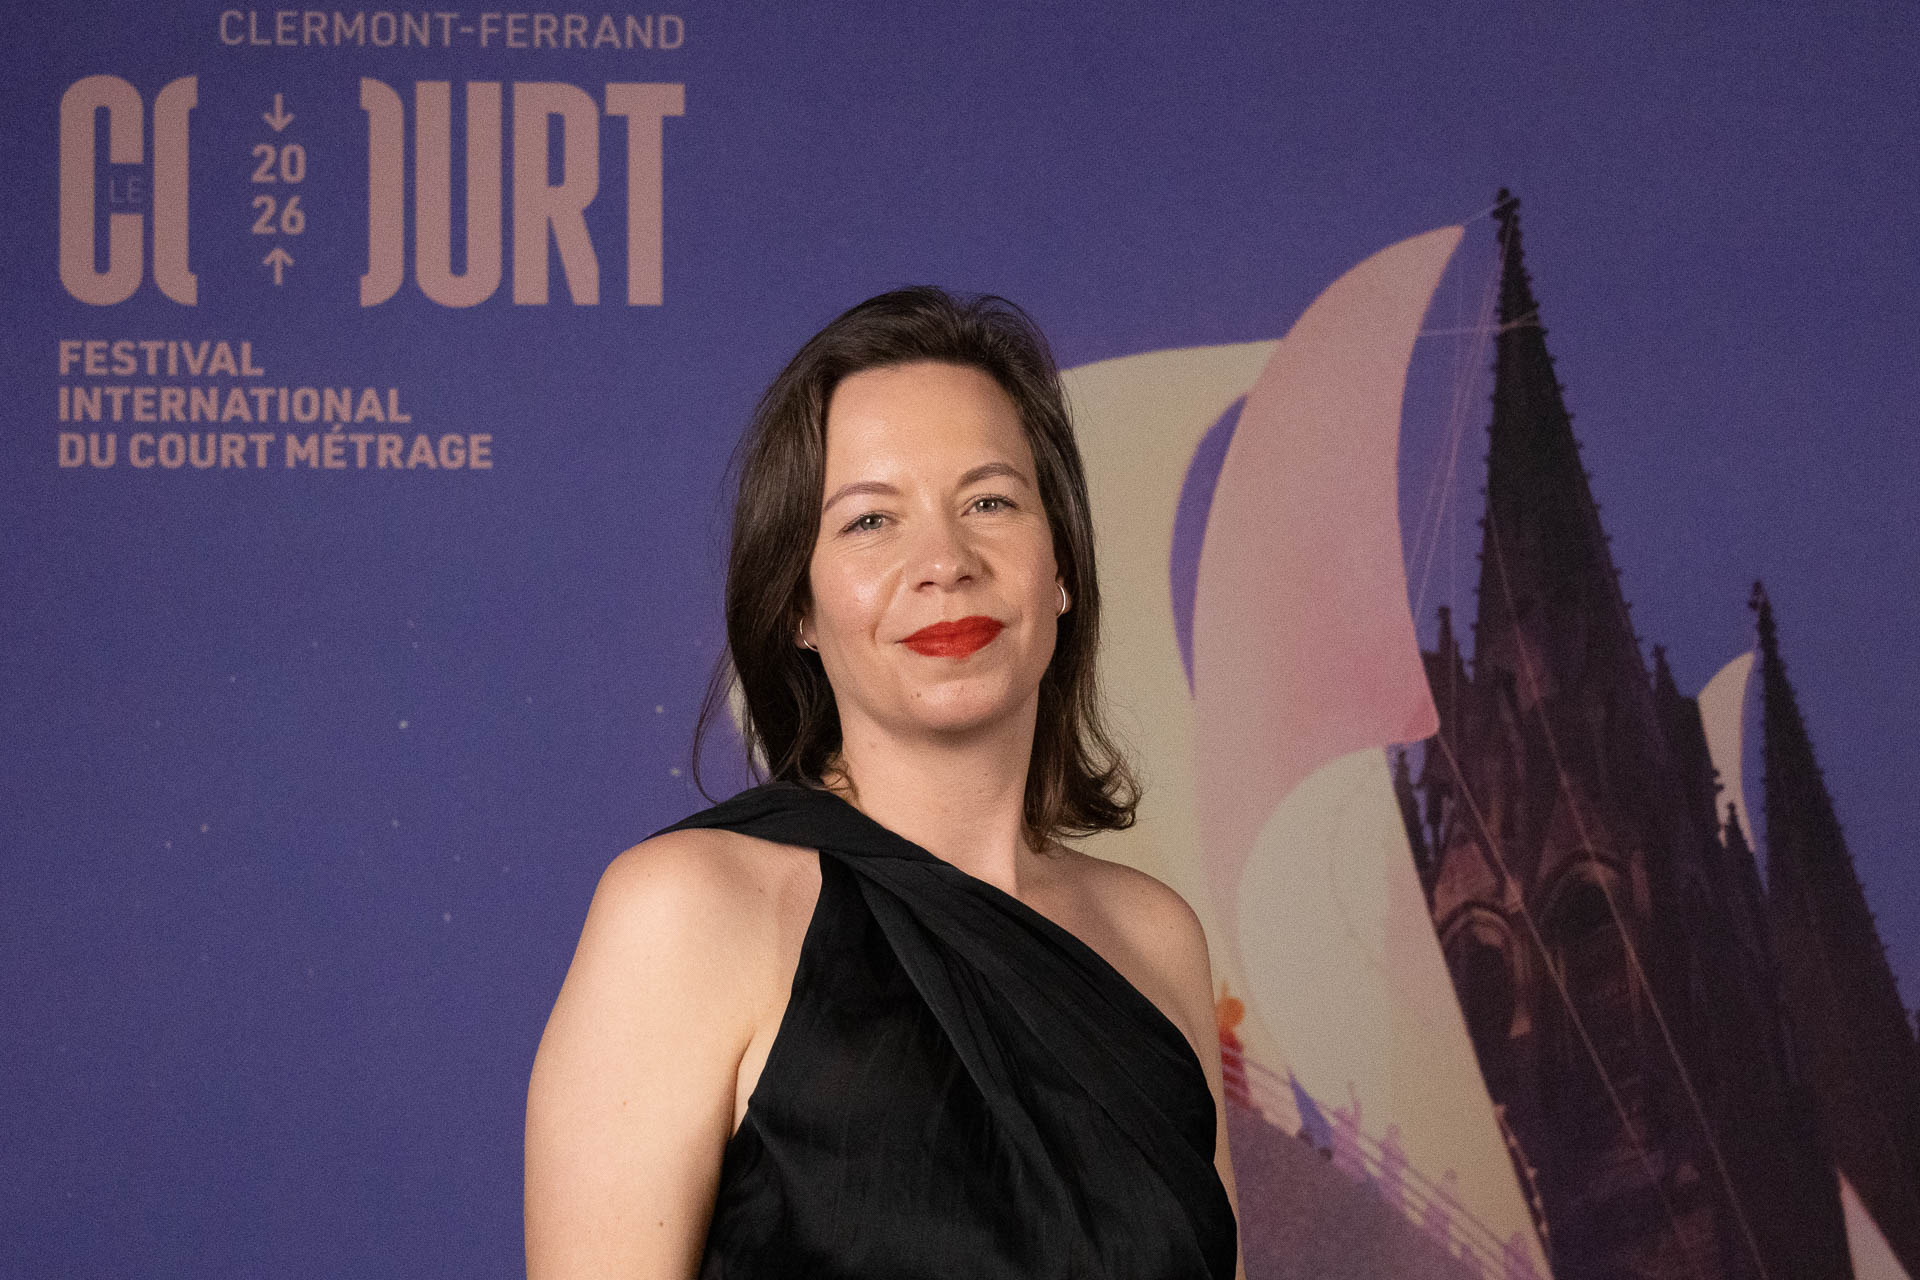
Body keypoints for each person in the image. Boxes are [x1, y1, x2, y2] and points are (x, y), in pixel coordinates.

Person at [524, 287, 1243, 1278]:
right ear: (798, 605)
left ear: (1062, 568)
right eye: (869, 520)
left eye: (990, 501)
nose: (945, 562)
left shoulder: (1155, 938)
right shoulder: (688, 911)